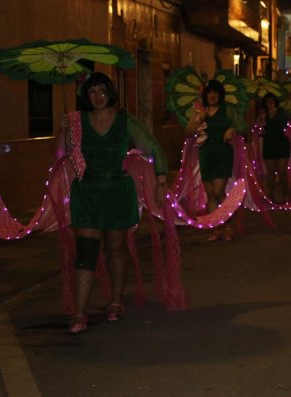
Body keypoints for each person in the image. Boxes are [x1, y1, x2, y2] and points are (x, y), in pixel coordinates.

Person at [58, 72, 169, 334]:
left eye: (101, 90)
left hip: (118, 191)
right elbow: (61, 154)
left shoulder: (125, 121)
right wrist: (64, 131)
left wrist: (162, 180)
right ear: (86, 96)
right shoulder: (77, 121)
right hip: (87, 191)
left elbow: (154, 147)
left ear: (110, 93)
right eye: (91, 92)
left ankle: (116, 301)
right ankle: (80, 313)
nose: (97, 96)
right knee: (86, 251)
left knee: (115, 248)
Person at [184, 79, 246, 241]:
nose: (213, 96)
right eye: (210, 92)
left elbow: (243, 127)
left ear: (221, 95)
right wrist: (199, 119)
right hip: (206, 153)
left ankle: (228, 225)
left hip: (223, 152)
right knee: (210, 193)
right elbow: (188, 132)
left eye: (216, 93)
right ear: (205, 94)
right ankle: (215, 228)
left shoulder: (228, 110)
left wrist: (232, 129)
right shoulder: (199, 110)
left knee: (218, 192)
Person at [259, 92, 291, 203]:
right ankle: (271, 196)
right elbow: (259, 127)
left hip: (281, 142)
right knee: (270, 172)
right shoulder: (262, 114)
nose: (270, 103)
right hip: (269, 143)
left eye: (272, 100)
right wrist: (262, 120)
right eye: (268, 101)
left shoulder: (281, 112)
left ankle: (285, 195)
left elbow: (285, 123)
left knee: (282, 171)